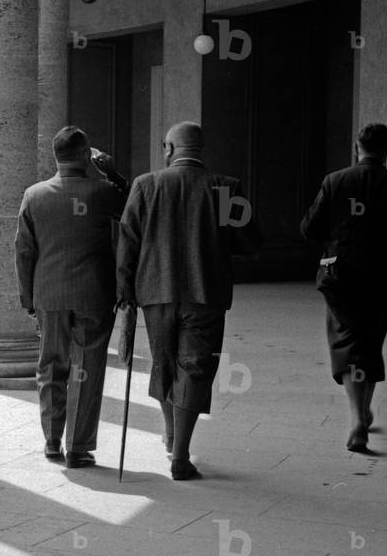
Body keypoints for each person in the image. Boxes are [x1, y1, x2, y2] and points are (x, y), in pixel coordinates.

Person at [117, 121, 260, 480]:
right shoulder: (226, 188)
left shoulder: (145, 185)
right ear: (201, 150)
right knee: (194, 370)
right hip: (205, 295)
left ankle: (170, 434)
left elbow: (127, 244)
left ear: (168, 149)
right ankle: (180, 455)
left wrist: (125, 293)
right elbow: (250, 243)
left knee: (163, 364)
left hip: (155, 293)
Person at [15, 126, 127, 467]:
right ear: (84, 155)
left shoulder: (34, 195)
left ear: (56, 156)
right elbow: (136, 209)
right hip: (94, 294)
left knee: (51, 366)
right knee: (87, 368)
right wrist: (115, 174)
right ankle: (78, 447)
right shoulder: (102, 191)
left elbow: (23, 249)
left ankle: (51, 440)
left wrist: (27, 297)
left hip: (49, 294)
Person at [300, 123, 387, 452]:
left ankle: (358, 417)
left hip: (341, 277)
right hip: (383, 277)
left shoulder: (336, 181)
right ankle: (363, 412)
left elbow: (310, 228)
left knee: (347, 343)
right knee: (368, 342)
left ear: (357, 147)